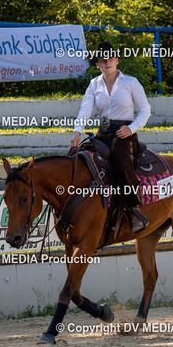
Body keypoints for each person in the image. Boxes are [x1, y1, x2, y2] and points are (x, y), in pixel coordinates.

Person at [71, 41, 151, 233]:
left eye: (110, 59)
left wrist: (131, 128)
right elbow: (85, 109)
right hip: (103, 133)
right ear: (97, 64)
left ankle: (133, 208)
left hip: (124, 134)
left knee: (122, 163)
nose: (107, 63)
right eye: (102, 60)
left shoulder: (131, 82)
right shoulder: (94, 84)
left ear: (117, 60)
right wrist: (77, 131)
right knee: (78, 157)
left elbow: (145, 109)